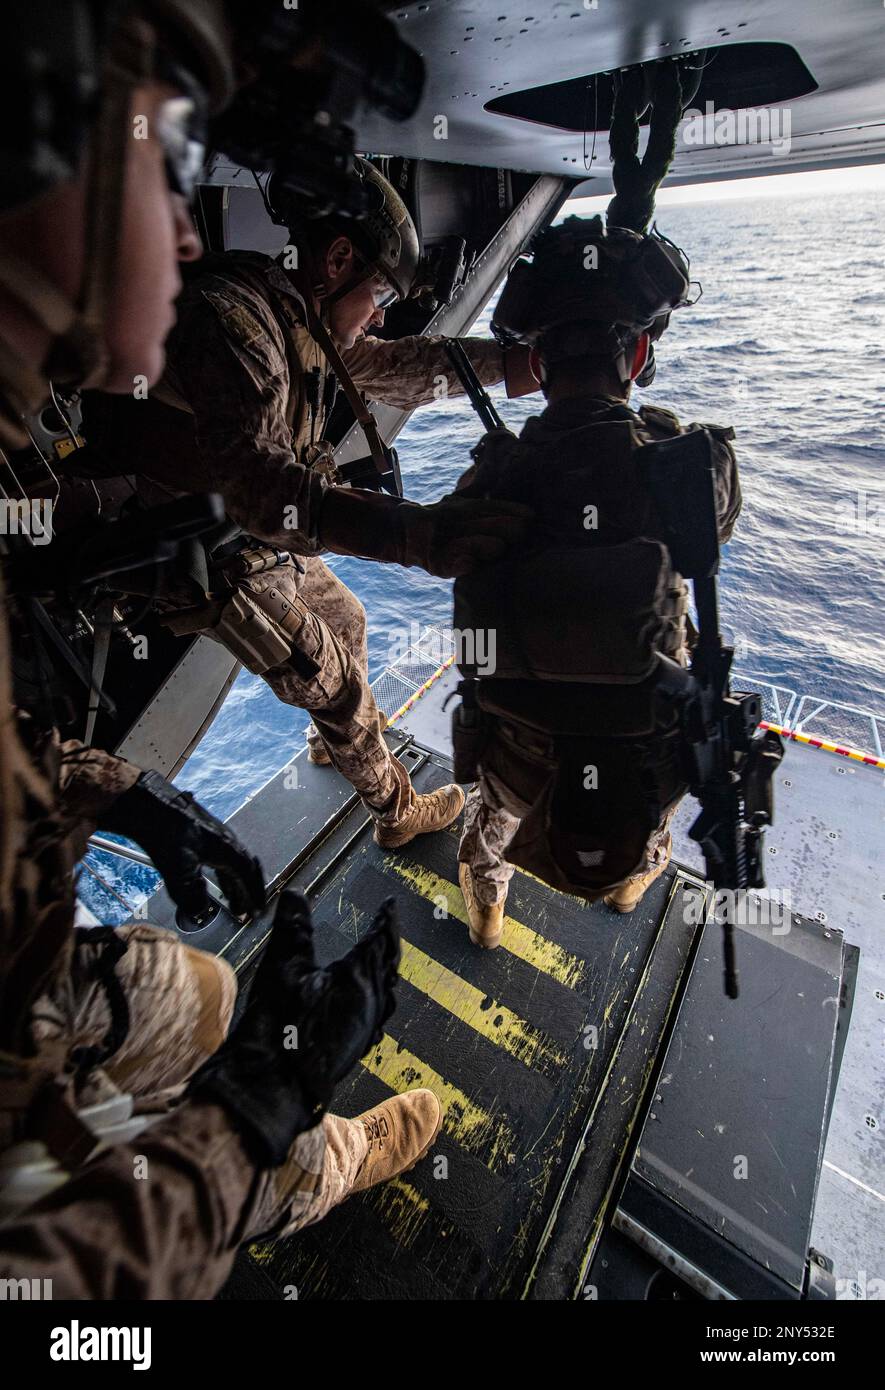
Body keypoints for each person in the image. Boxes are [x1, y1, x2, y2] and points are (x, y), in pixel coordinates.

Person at [0, 0, 441, 1297]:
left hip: (24, 964)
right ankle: (313, 1159)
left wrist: (135, 796)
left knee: (202, 994)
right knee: (234, 1142)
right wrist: (241, 1127)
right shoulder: (241, 322)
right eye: (167, 161)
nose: (194, 230)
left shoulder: (25, 457)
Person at [82, 156, 536, 850]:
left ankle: (335, 747)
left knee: (346, 617)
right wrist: (414, 536)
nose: (380, 311)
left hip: (257, 536)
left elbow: (402, 365)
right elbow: (263, 487)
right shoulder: (234, 325)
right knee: (338, 690)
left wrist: (517, 368)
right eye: (378, 290)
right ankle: (394, 812)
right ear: (337, 259)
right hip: (207, 552)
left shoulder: (298, 317)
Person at [452, 215, 742, 947]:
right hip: (637, 753)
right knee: (672, 740)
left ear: (539, 364)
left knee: (494, 809)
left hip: (518, 757)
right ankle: (627, 877)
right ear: (639, 353)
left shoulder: (491, 476)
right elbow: (717, 530)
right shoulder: (689, 464)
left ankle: (485, 906)